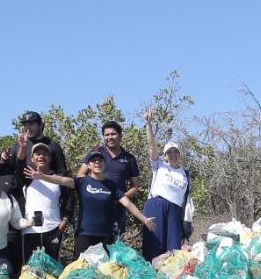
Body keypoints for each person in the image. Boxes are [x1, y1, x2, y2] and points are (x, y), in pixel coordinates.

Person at [72, 151, 152, 256]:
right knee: (81, 265)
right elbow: (60, 180)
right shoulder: (82, 182)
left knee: (104, 266)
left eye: (100, 160)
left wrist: (145, 219)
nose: (97, 162)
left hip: (105, 234)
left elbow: (128, 204)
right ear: (89, 165)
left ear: (104, 165)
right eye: (94, 161)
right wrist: (48, 176)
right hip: (84, 234)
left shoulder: (111, 185)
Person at [139, 107, 191, 260]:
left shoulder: (185, 174)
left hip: (175, 210)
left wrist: (187, 222)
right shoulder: (160, 166)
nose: (173, 154)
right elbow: (151, 147)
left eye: (176, 152)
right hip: (157, 204)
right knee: (154, 245)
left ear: (179, 154)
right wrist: (148, 125)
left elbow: (185, 200)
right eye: (169, 152)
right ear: (165, 155)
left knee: (173, 249)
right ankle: (150, 271)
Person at [85, 118, 143, 241]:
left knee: (114, 247)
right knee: (91, 248)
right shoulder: (96, 152)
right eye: (106, 135)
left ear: (120, 135)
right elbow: (80, 175)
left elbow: (135, 186)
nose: (109, 137)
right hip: (94, 209)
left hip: (117, 211)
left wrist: (120, 198)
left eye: (113, 134)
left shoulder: (129, 158)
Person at [17, 142, 74, 266]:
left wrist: (65, 220)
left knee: (52, 268)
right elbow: (18, 163)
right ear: (32, 159)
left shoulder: (59, 178)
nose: (41, 156)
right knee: (30, 268)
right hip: (30, 229)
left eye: (44, 154)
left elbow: (69, 199)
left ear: (50, 157)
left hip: (53, 229)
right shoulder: (27, 177)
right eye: (37, 154)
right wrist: (22, 147)